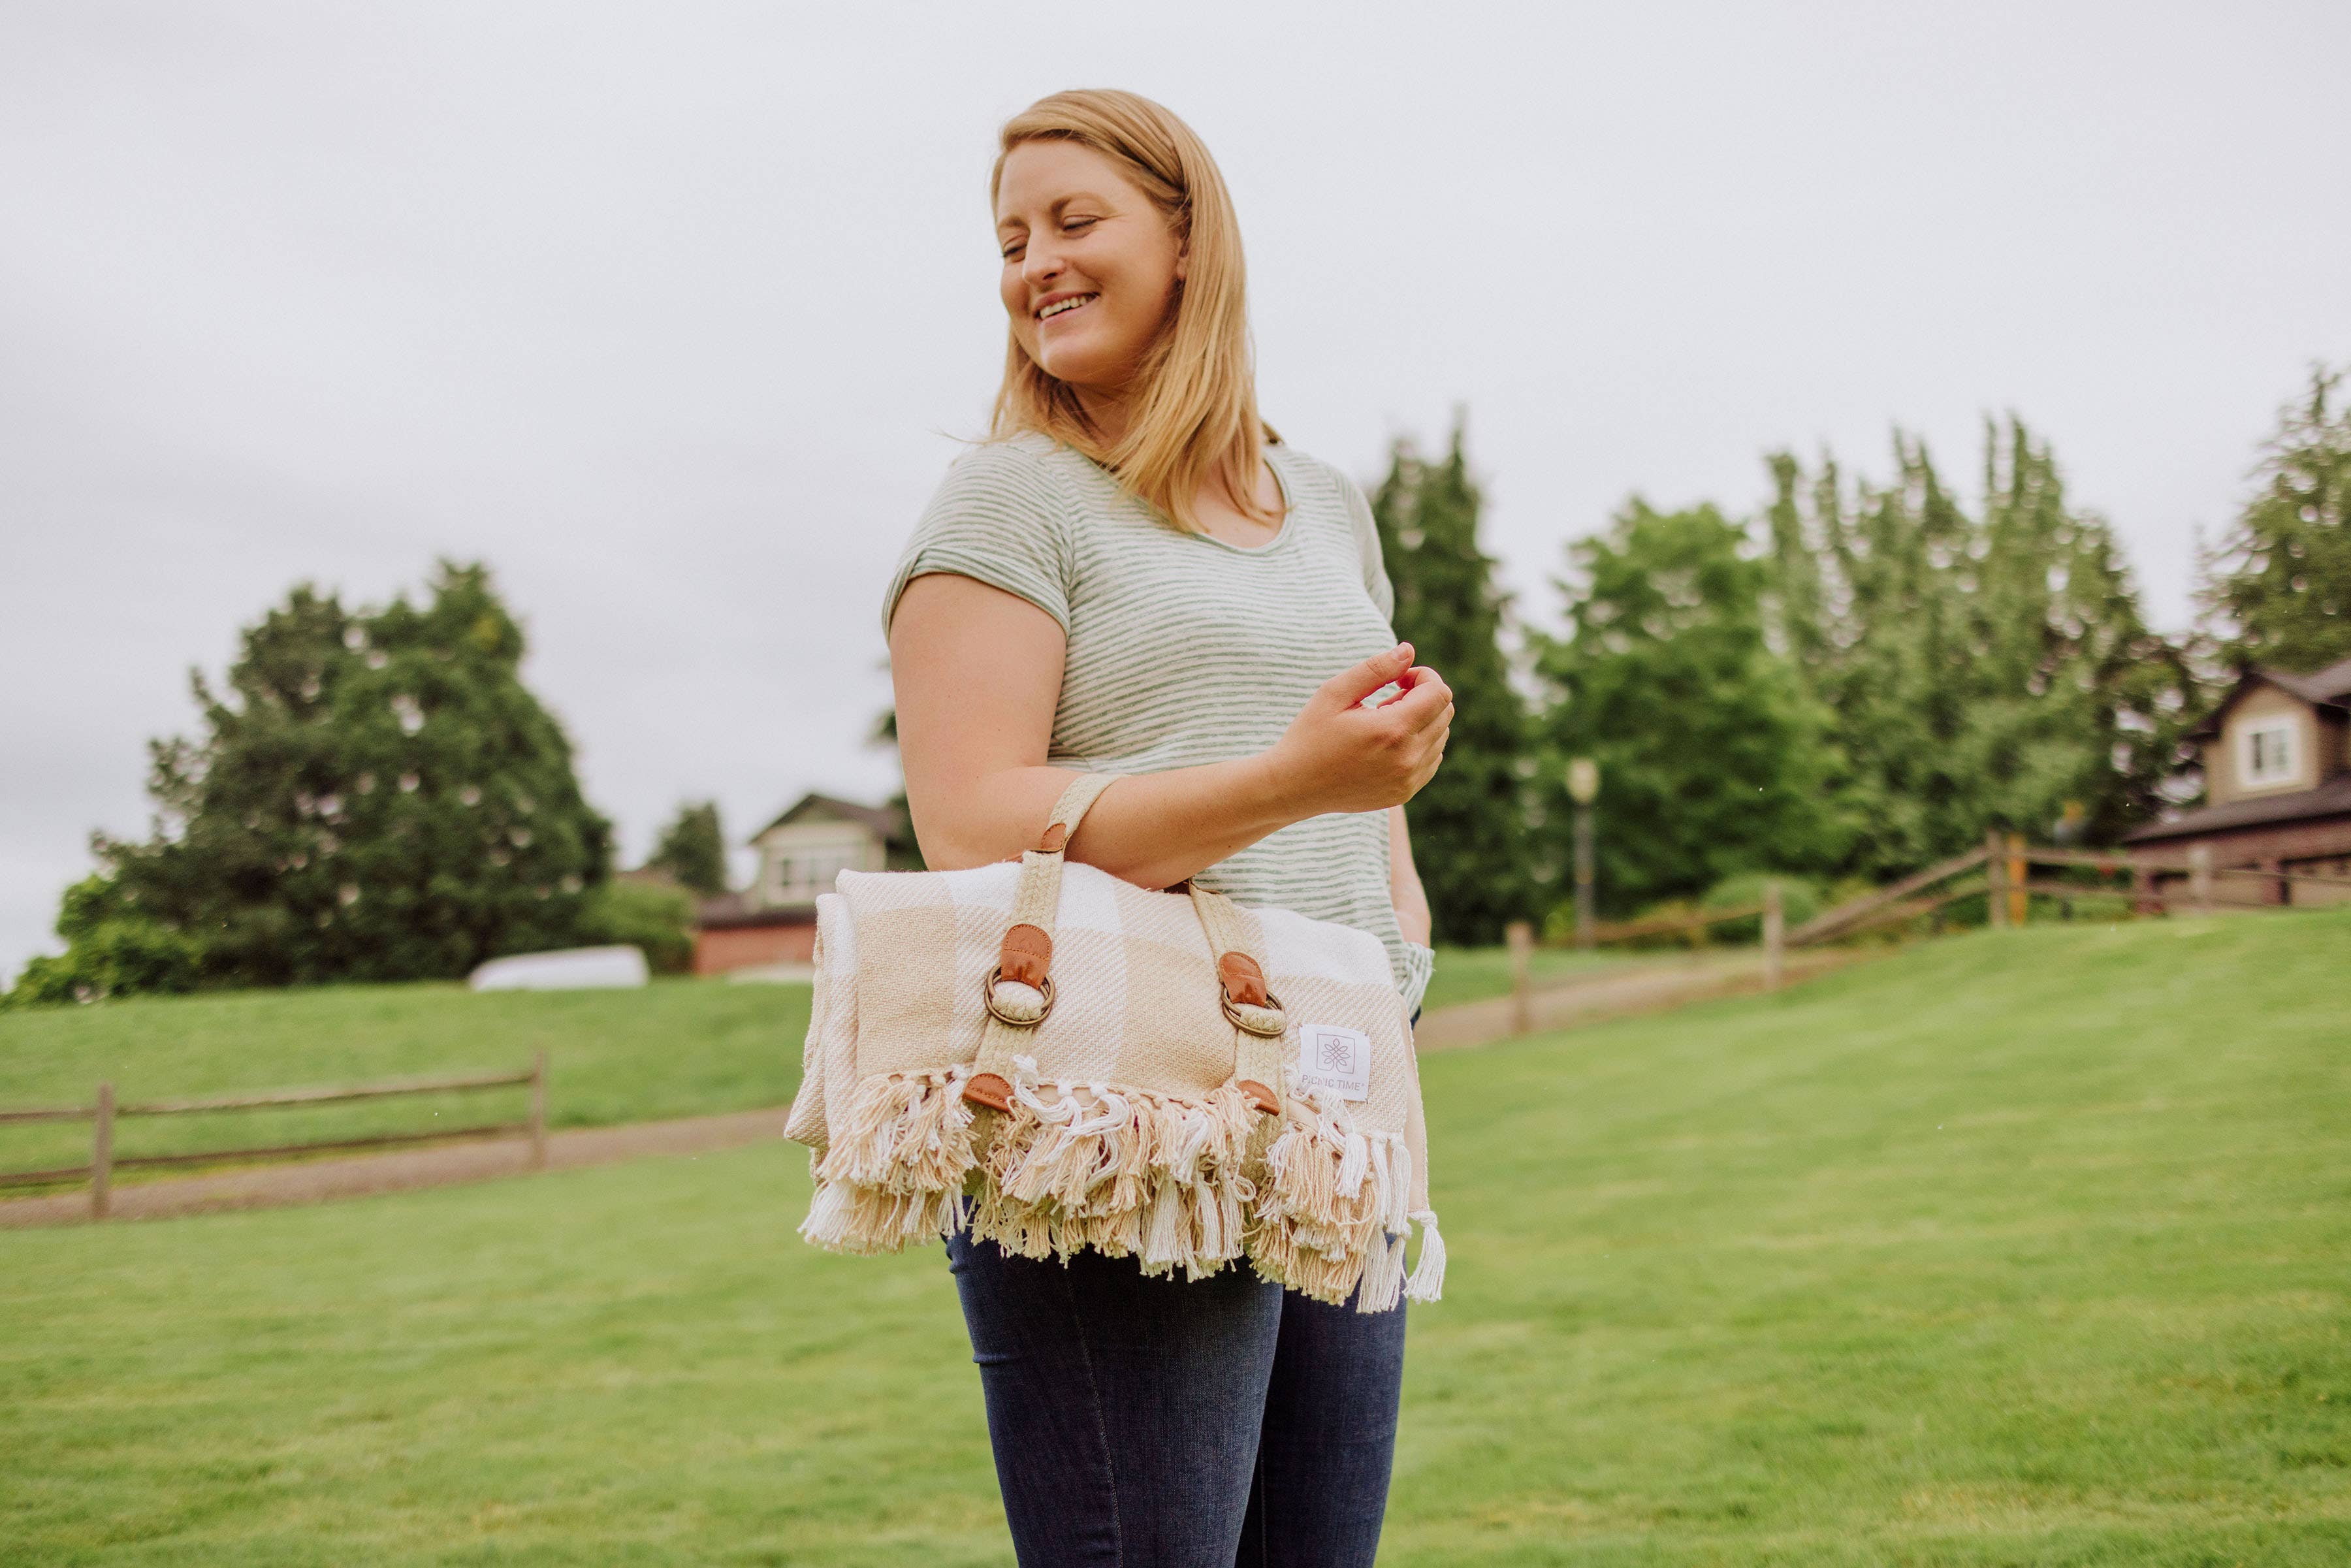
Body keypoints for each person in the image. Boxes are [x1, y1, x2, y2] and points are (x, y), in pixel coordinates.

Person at [880, 88, 1452, 1567]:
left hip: (1334, 1110)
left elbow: (1362, 789)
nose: (1036, 265)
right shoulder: (1009, 500)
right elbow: (968, 821)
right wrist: (1294, 781)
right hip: (1127, 1114)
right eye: (1013, 239)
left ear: (1189, 239)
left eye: (1075, 221)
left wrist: (1398, 925)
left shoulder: (1324, 500)